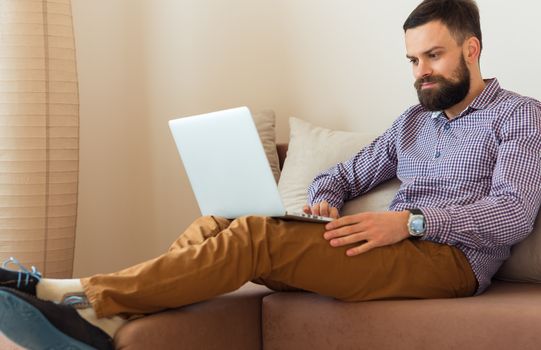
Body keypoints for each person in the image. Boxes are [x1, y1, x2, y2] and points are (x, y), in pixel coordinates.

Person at [1, 0, 541, 349]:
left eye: (434, 56)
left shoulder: (520, 115)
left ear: (471, 50)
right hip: (387, 248)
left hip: (451, 263)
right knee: (220, 222)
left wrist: (411, 223)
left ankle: (74, 294)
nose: (421, 72)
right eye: (412, 61)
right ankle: (116, 325)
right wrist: (325, 197)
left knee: (256, 236)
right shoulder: (412, 123)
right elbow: (346, 174)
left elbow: (513, 211)